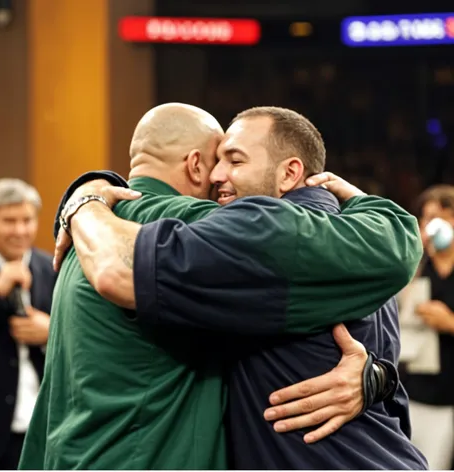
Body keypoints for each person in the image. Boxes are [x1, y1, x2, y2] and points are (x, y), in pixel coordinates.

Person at [23, 105, 422, 469]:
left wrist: (85, 200)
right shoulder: (345, 244)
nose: (217, 177)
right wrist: (379, 377)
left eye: (233, 160)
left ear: (289, 172)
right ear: (195, 164)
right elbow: (396, 404)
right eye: (217, 160)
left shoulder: (100, 238)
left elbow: (116, 270)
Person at [0, 179, 56, 470]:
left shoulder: (51, 267)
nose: (20, 230)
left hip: (41, 425)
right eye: (9, 221)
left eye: (27, 220)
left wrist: (52, 332)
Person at [400, 185, 454, 470]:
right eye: (427, 217)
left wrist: (450, 324)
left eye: (442, 216)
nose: (433, 225)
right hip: (410, 391)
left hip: (448, 400)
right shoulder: (416, 266)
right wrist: (415, 254)